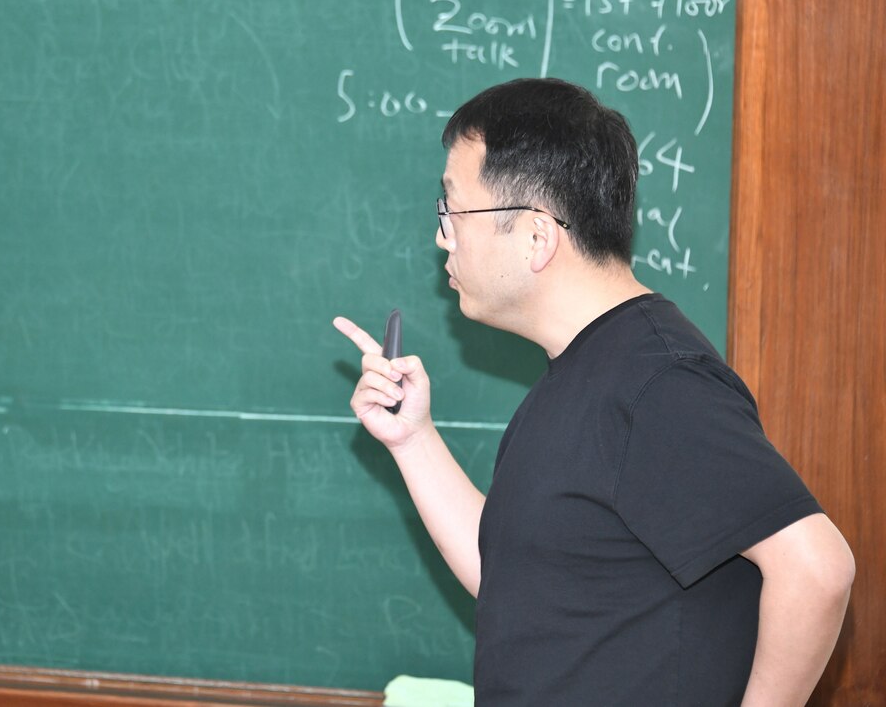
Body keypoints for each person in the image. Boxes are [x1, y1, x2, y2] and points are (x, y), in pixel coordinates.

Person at [333, 78, 854, 706]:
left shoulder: (660, 383)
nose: (443, 235)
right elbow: (517, 581)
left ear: (537, 236)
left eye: (454, 210)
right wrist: (412, 440)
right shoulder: (582, 370)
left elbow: (818, 568)